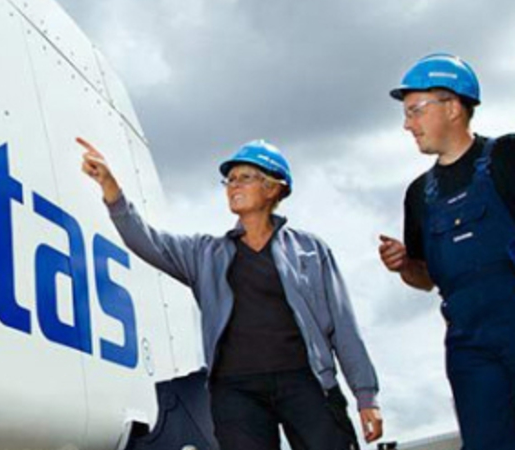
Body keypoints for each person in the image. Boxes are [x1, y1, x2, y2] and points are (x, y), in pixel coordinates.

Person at [80, 137, 383, 450]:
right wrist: (112, 190)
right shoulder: (204, 254)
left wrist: (366, 396)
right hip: (237, 391)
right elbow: (147, 240)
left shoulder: (310, 250)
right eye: (230, 179)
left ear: (273, 188)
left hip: (306, 381)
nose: (233, 185)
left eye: (245, 177)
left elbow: (343, 326)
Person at [379, 53, 515, 450]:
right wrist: (405, 265)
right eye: (406, 114)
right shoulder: (419, 194)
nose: (408, 125)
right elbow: (425, 279)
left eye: (415, 111)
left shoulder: (507, 157)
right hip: (469, 346)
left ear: (453, 107)